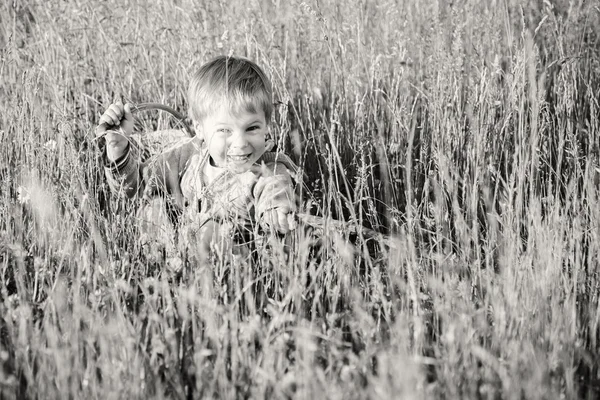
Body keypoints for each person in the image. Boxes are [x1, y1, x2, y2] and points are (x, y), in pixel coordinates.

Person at [96, 55, 299, 269]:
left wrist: (275, 212)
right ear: (200, 128)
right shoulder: (188, 155)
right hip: (179, 251)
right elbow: (136, 188)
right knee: (153, 205)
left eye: (252, 128)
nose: (240, 143)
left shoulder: (268, 170)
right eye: (224, 130)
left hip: (233, 264)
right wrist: (117, 148)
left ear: (267, 125)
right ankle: (158, 264)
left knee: (211, 230)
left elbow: (276, 192)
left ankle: (215, 279)